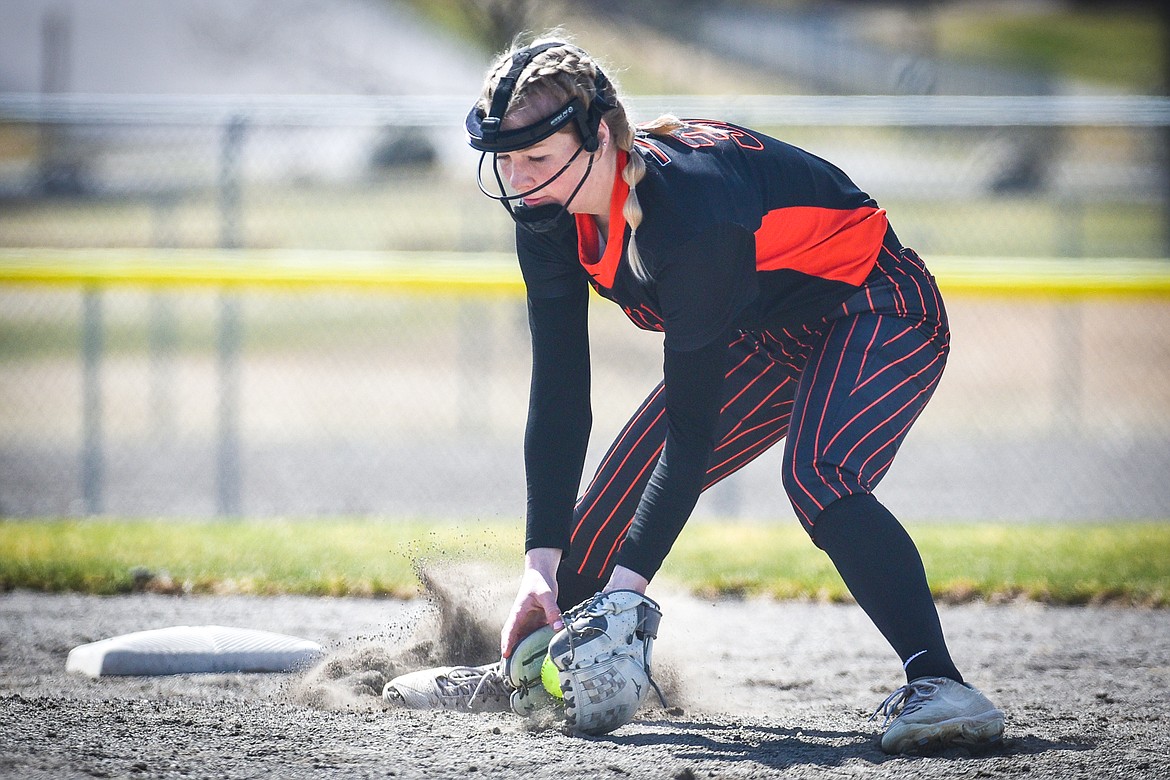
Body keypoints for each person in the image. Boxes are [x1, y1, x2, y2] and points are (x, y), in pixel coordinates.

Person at [384, 36, 1005, 755]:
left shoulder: (691, 213)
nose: (520, 182)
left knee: (819, 475)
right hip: (766, 329)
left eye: (539, 159)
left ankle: (942, 684)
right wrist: (539, 569)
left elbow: (691, 431)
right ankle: (533, 673)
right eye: (507, 161)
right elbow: (559, 392)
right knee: (610, 509)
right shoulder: (549, 214)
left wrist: (626, 595)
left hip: (876, 305)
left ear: (603, 135)